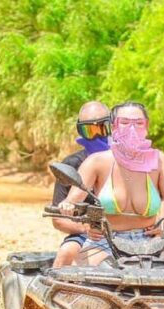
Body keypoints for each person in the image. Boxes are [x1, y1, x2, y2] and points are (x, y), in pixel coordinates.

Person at [58, 101, 164, 269]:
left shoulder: (160, 161)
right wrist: (67, 206)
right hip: (105, 240)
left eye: (138, 123)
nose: (132, 129)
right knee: (94, 278)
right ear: (113, 126)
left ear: (146, 126)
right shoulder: (96, 161)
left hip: (149, 242)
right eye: (124, 123)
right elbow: (72, 200)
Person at [51, 101, 111, 267]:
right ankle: (53, 290)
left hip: (131, 233)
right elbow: (58, 219)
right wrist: (87, 229)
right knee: (66, 252)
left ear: (113, 126)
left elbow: (159, 196)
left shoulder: (129, 161)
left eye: (102, 128)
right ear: (80, 131)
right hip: (89, 234)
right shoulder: (72, 165)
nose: (97, 135)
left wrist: (160, 226)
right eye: (89, 130)